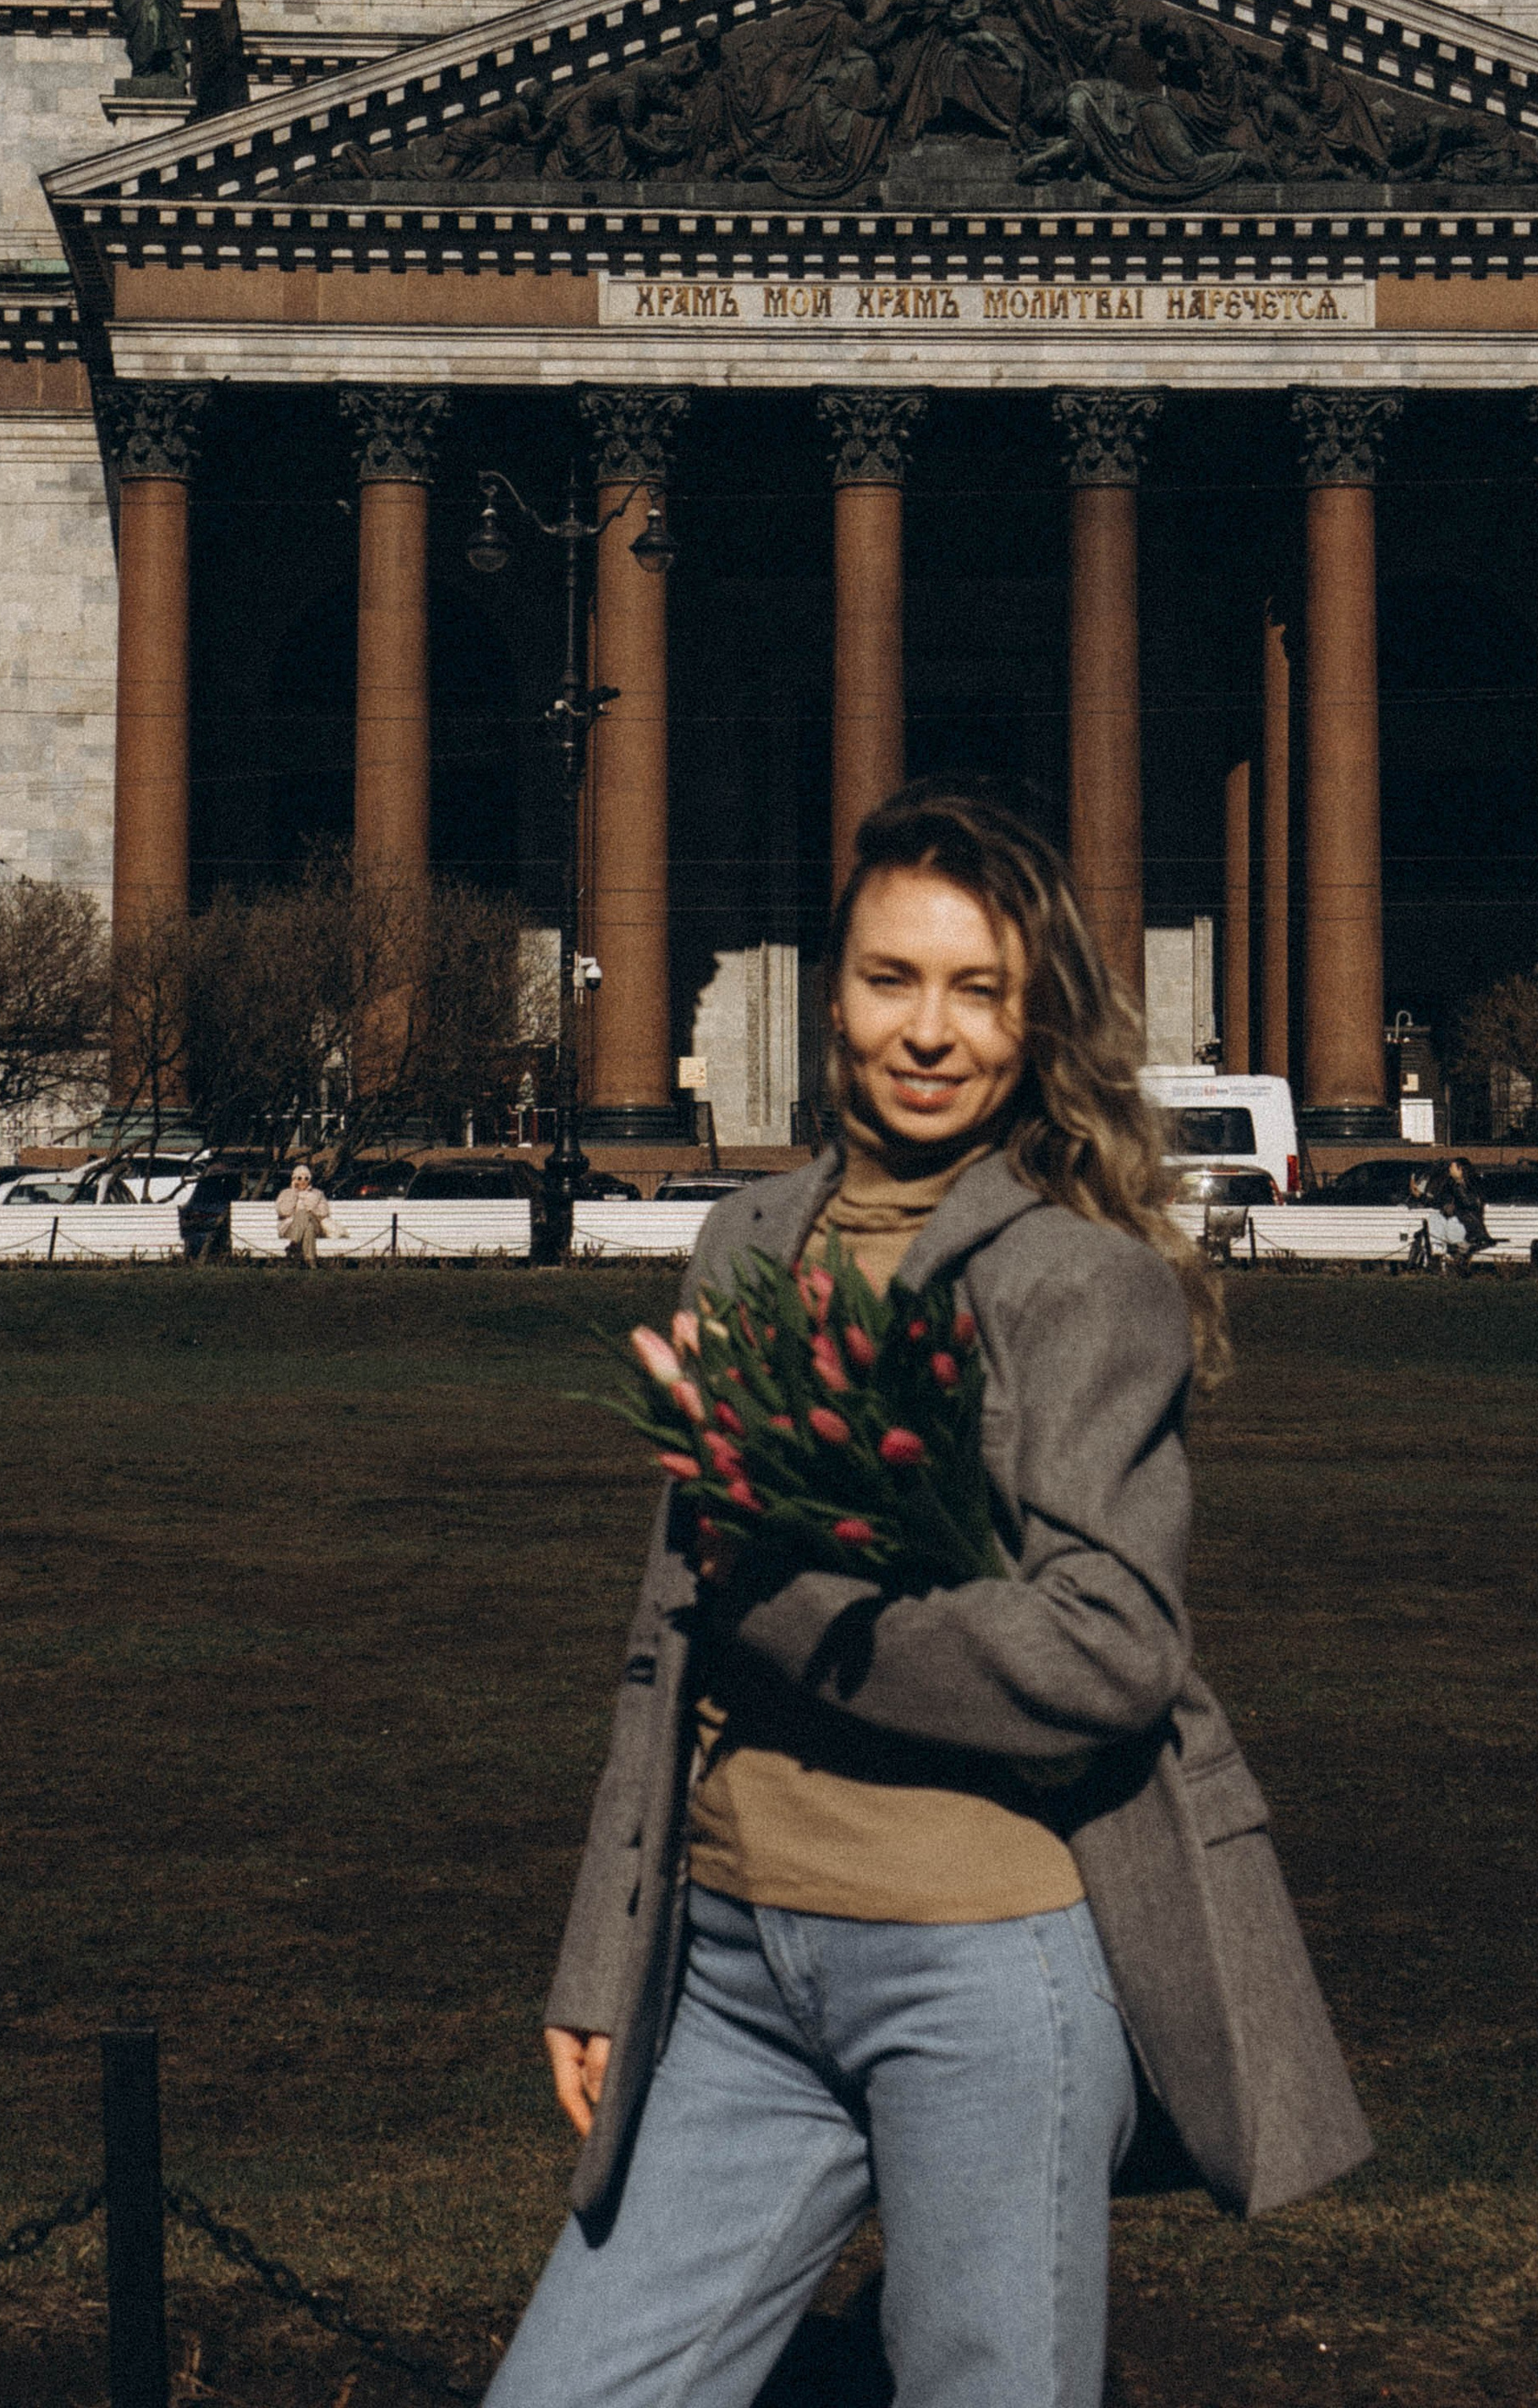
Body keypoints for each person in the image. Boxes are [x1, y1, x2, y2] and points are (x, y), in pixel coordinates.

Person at [488, 783, 1370, 2408]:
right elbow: (666, 1637)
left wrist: (786, 1599)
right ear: (835, 993)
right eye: (893, 978)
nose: (930, 1031)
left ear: (1039, 1022)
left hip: (983, 1975)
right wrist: (602, 1960)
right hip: (735, 1969)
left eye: (980, 990)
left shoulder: (1080, 1280)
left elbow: (1107, 1655)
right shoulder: (747, 1240)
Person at [276, 1159, 331, 1267]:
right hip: (290, 1228)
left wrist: (311, 1211)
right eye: (299, 1178)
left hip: (316, 1225)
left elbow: (324, 1212)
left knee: (305, 1215)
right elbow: (284, 1211)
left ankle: (294, 1245)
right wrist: (294, 1193)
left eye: (306, 1178)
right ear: (294, 1179)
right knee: (308, 1227)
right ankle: (311, 1261)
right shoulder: (286, 1193)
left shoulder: (317, 1194)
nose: (303, 1181)